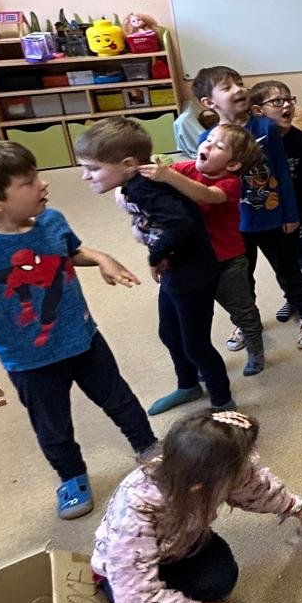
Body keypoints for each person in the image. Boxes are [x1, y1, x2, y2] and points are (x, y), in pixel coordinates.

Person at [0, 140, 156, 520]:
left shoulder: (52, 220)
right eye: (29, 182)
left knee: (119, 398)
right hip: (31, 362)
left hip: (84, 338)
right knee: (53, 427)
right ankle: (71, 477)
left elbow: (70, 252)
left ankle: (149, 448)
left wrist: (101, 258)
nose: (44, 183)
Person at [92, 407, 302, 603]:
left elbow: (251, 486)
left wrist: (289, 504)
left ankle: (176, 598)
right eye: (238, 472)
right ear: (199, 488)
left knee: (221, 577)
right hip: (121, 569)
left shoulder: (202, 472)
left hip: (178, 545)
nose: (246, 472)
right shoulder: (136, 512)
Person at [75, 117, 233, 417]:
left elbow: (179, 223)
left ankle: (223, 403)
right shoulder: (136, 184)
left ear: (128, 164)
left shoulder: (145, 188)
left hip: (193, 273)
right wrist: (162, 254)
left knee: (196, 345)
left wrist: (156, 254)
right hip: (176, 268)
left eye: (93, 168)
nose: (86, 176)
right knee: (170, 334)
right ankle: (188, 385)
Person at [191, 66, 302, 350]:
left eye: (239, 83)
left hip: (272, 217)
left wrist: (290, 213)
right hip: (235, 224)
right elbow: (205, 186)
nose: (239, 89)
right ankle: (246, 323)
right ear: (209, 102)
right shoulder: (207, 140)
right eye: (227, 87)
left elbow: (281, 172)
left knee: (288, 269)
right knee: (240, 279)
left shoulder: (265, 128)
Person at [138, 123, 267, 378]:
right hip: (194, 262)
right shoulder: (186, 169)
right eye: (208, 140)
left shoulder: (231, 183)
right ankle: (197, 361)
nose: (207, 145)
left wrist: (168, 176)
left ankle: (256, 351)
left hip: (227, 262)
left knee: (242, 310)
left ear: (233, 165)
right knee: (192, 318)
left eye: (218, 146)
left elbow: (206, 195)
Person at [249, 80, 302, 323]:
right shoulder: (256, 143)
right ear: (258, 110)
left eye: (289, 100)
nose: (286, 105)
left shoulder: (300, 140)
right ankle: (295, 298)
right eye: (277, 101)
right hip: (276, 217)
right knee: (285, 264)